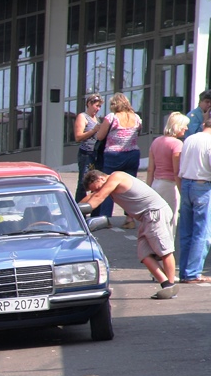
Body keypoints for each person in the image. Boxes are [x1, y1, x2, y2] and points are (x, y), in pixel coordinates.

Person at [80, 169, 178, 300]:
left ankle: (170, 286)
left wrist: (84, 211)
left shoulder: (116, 177)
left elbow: (98, 197)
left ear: (100, 179)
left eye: (97, 188)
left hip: (154, 213)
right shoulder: (105, 185)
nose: (97, 191)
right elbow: (92, 197)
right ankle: (165, 283)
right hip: (145, 218)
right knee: (144, 254)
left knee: (164, 251)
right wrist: (72, 210)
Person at [92, 93, 142, 224]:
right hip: (132, 154)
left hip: (113, 155)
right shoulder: (136, 117)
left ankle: (106, 218)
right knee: (130, 187)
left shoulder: (112, 117)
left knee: (108, 185)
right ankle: (130, 218)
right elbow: (138, 132)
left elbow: (100, 136)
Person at [175, 112, 211, 284]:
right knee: (202, 231)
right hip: (202, 185)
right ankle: (193, 272)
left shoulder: (190, 139)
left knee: (186, 231)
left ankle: (184, 271)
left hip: (186, 183)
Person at [145, 111, 187, 232]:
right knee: (170, 221)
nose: (186, 128)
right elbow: (176, 171)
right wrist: (182, 191)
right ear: (178, 126)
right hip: (170, 185)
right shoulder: (177, 144)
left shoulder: (156, 141)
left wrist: (148, 188)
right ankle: (168, 249)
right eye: (184, 125)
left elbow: (150, 169)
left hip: (156, 184)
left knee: (156, 220)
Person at [73, 94, 104, 201]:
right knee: (83, 182)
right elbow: (78, 137)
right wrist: (93, 131)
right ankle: (80, 209)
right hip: (86, 154)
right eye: (96, 106)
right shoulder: (82, 117)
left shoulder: (98, 119)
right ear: (89, 104)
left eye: (100, 106)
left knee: (97, 182)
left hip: (96, 154)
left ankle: (94, 208)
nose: (98, 109)